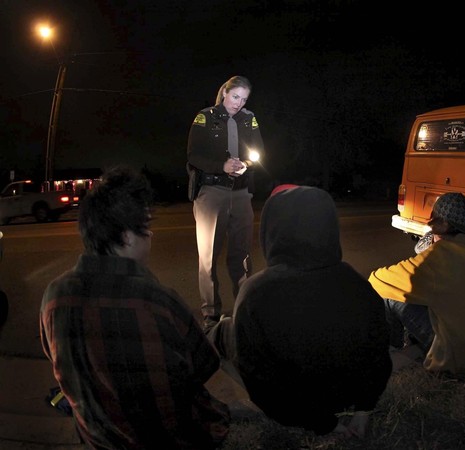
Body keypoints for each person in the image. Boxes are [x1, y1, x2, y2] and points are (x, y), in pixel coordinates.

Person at [39, 166, 230, 449]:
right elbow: (204, 366)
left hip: (99, 439)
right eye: (147, 230)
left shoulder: (54, 296)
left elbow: (56, 356)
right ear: (127, 237)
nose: (151, 237)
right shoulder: (157, 301)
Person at [210, 185, 392, 438]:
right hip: (348, 396)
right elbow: (378, 356)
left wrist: (325, 424)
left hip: (298, 408)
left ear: (272, 231)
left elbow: (261, 382)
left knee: (221, 331)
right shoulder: (358, 283)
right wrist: (363, 410)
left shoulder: (256, 292)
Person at [368, 192, 465, 373]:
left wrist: (429, 251)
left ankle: (392, 352)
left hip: (457, 357)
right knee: (422, 294)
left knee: (389, 296)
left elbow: (378, 280)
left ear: (442, 224)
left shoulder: (443, 255)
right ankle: (412, 346)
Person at [186, 75, 264, 332]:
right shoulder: (205, 116)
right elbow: (193, 155)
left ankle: (245, 307)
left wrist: (247, 164)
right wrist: (221, 166)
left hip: (241, 194)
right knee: (208, 257)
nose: (239, 103)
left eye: (244, 99)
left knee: (241, 256)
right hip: (211, 193)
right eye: (235, 97)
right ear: (224, 93)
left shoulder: (248, 118)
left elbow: (258, 152)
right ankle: (210, 313)